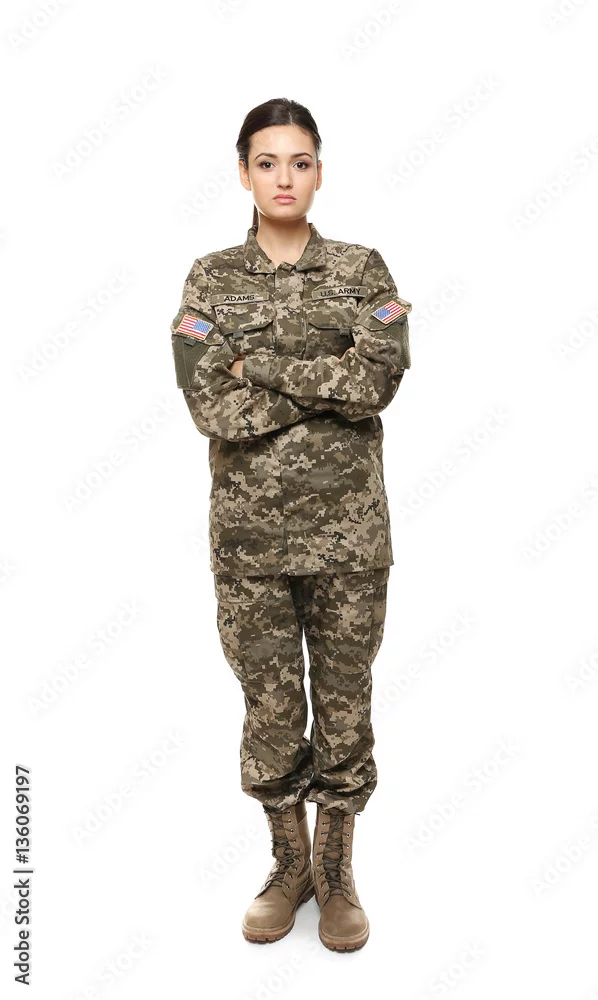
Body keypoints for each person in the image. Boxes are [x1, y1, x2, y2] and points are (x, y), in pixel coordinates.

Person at [170, 97, 412, 952]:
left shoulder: (361, 270)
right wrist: (323, 384)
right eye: (267, 162)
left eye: (300, 162)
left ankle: (337, 873)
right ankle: (289, 864)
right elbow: (211, 406)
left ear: (319, 172)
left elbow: (377, 381)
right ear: (244, 172)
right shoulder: (210, 280)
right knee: (270, 709)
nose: (284, 178)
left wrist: (259, 364)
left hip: (350, 536)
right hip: (250, 543)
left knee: (344, 703)